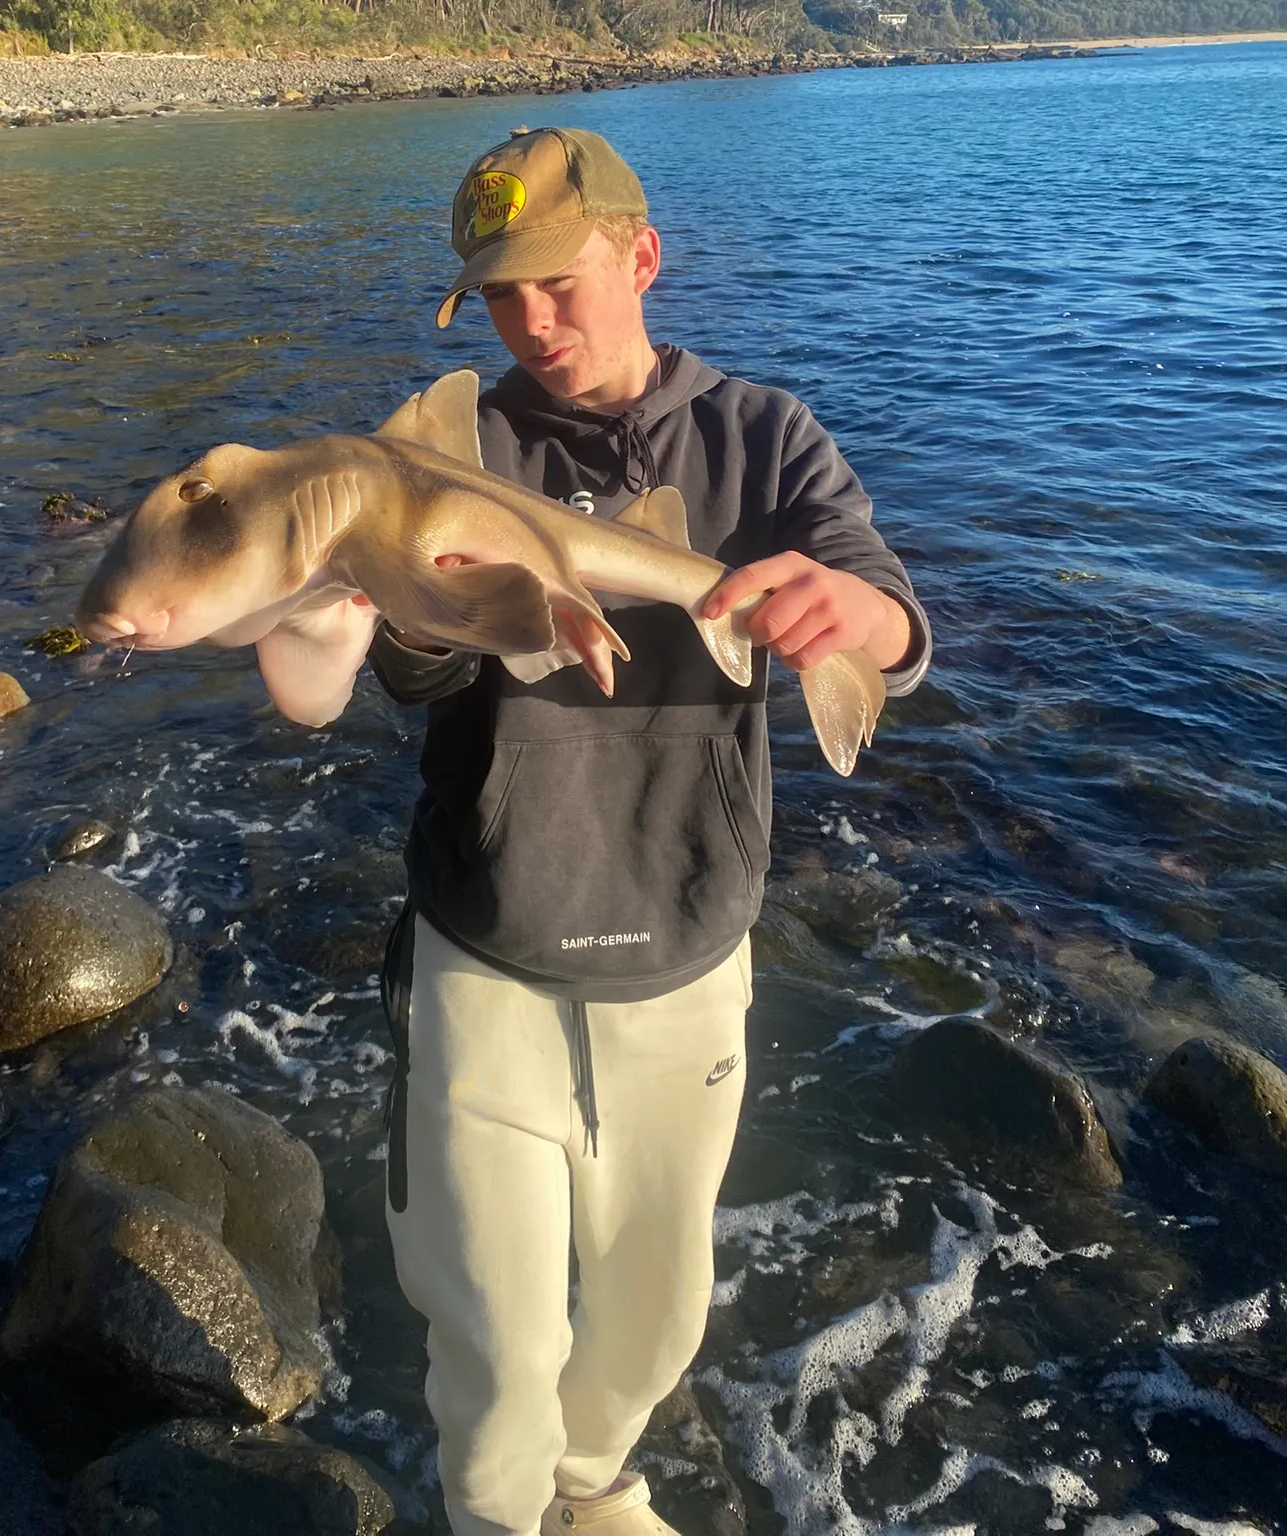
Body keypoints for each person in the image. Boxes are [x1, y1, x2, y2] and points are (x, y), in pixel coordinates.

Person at [369, 126, 931, 1536]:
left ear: (641, 255)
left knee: (654, 1319)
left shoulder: (762, 435)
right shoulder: (458, 448)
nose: (533, 321)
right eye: (500, 297)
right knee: (495, 1352)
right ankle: (497, 1520)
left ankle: (594, 1486)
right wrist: (419, 598)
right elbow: (410, 676)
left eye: (559, 281)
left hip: (688, 950)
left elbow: (886, 609)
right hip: (488, 951)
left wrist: (854, 619)